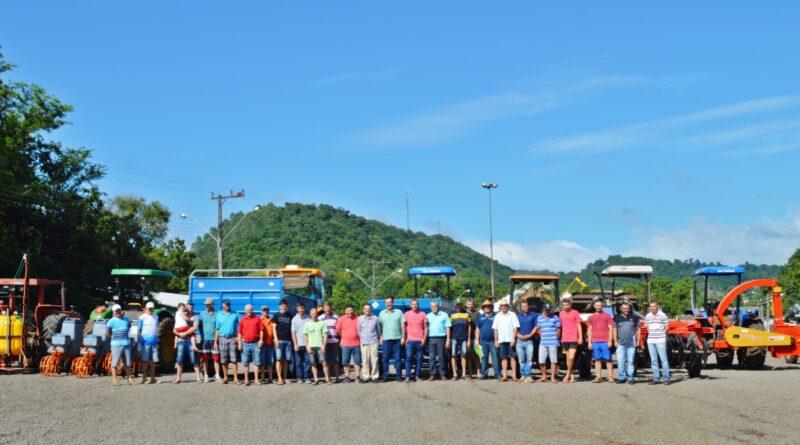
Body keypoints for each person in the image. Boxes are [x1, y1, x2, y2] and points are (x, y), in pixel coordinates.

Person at [106, 304, 135, 386]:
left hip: (126, 344)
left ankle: (130, 379)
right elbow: (107, 333)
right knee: (115, 363)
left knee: (128, 363)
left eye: (118, 310)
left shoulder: (127, 320)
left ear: (120, 310)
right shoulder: (111, 321)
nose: (117, 311)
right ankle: (115, 380)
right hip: (116, 345)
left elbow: (129, 327)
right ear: (113, 312)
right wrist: (114, 338)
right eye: (116, 310)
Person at [587, 300, 615, 383]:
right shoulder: (591, 317)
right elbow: (589, 330)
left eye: (600, 305)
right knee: (597, 359)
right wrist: (589, 342)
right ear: (594, 306)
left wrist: (610, 341)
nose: (599, 307)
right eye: (597, 305)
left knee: (608, 359)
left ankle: (610, 376)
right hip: (595, 341)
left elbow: (611, 329)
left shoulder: (607, 316)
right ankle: (598, 377)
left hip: (605, 341)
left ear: (602, 306)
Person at [174, 302, 202, 384]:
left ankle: (198, 378)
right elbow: (174, 329)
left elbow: (195, 327)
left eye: (191, 307)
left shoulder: (196, 316)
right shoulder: (181, 314)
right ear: (186, 308)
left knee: (194, 360)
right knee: (179, 360)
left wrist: (185, 333)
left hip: (189, 340)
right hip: (181, 340)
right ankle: (178, 378)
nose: (190, 309)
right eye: (188, 307)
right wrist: (179, 334)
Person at [613, 301, 640, 385]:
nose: (626, 310)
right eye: (624, 308)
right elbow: (614, 330)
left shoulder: (635, 318)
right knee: (620, 361)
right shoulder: (616, 318)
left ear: (630, 308)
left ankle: (630, 378)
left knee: (630, 361)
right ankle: (622, 377)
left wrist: (638, 341)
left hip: (631, 344)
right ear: (621, 309)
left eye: (627, 308)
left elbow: (638, 330)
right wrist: (615, 341)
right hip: (621, 344)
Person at [378, 297, 405, 382]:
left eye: (389, 302)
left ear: (393, 303)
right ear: (385, 303)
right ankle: (385, 376)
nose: (388, 304)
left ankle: (399, 376)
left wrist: (403, 337)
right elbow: (380, 327)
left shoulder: (399, 312)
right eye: (386, 302)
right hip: (386, 340)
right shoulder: (381, 313)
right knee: (385, 359)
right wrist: (381, 337)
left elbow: (403, 325)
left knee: (398, 359)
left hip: (397, 339)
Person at [533, 303, 561, 383]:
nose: (548, 311)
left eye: (549, 309)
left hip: (553, 342)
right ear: (543, 309)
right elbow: (539, 329)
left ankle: (552, 377)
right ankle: (544, 376)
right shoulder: (539, 318)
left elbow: (558, 329)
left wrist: (557, 338)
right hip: (543, 342)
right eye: (546, 309)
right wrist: (543, 336)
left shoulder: (555, 317)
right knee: (541, 360)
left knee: (553, 361)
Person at [237, 304, 264, 386]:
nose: (249, 311)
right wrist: (239, 343)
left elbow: (261, 330)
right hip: (245, 343)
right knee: (246, 363)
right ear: (245, 311)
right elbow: (239, 332)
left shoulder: (257, 319)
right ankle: (246, 379)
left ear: (252, 310)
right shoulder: (242, 319)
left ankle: (256, 379)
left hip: (256, 343)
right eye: (247, 310)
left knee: (257, 362)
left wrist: (261, 340)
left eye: (250, 310)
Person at [493, 300, 519, 382]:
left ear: (508, 306)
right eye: (502, 305)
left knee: (513, 358)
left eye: (505, 305)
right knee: (503, 358)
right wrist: (496, 341)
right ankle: (504, 376)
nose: (504, 307)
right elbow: (495, 329)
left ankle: (514, 376)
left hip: (510, 340)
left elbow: (515, 328)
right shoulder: (497, 316)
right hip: (501, 341)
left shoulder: (512, 315)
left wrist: (513, 339)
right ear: (500, 307)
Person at [214, 299, 240, 385]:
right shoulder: (219, 315)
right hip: (222, 338)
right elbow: (217, 329)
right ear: (223, 305)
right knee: (223, 360)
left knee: (234, 359)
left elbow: (241, 325)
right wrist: (215, 342)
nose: (228, 305)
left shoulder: (235, 313)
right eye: (226, 304)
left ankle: (236, 378)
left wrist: (238, 336)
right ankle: (226, 378)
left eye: (229, 304)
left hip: (232, 338)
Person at [645, 301, 670, 385]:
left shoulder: (663, 315)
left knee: (663, 360)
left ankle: (666, 378)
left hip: (660, 340)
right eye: (651, 306)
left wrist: (662, 334)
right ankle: (656, 378)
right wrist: (652, 333)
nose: (652, 308)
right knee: (654, 360)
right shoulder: (648, 316)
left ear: (658, 306)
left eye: (654, 306)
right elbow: (647, 327)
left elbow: (667, 327)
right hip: (651, 341)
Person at [558, 298, 583, 383]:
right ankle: (571, 375)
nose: (565, 307)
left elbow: (579, 325)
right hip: (565, 339)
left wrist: (580, 337)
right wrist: (560, 338)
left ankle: (567, 375)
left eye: (567, 305)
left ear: (570, 304)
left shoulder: (575, 312)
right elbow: (560, 327)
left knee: (572, 357)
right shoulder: (561, 314)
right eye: (564, 305)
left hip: (574, 338)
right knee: (568, 358)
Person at [403, 298, 427, 382]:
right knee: (408, 358)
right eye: (413, 304)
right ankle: (407, 376)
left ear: (418, 305)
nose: (415, 305)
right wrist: (405, 338)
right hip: (410, 341)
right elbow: (404, 326)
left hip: (420, 341)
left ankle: (417, 376)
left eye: (416, 304)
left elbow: (426, 327)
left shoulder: (423, 314)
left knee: (419, 360)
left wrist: (424, 338)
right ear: (410, 305)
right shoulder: (406, 314)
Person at [336, 304, 362, 383]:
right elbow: (338, 330)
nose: (350, 312)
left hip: (357, 343)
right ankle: (347, 377)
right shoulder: (341, 319)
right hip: (345, 344)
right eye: (348, 311)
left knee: (357, 361)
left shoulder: (358, 318)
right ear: (345, 311)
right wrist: (343, 337)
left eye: (351, 310)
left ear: (354, 311)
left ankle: (357, 376)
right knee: (345, 361)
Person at [426, 300, 451, 381]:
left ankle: (442, 374)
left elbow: (448, 327)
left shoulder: (444, 315)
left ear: (438, 307)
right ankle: (432, 374)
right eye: (432, 306)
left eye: (435, 306)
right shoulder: (428, 316)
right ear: (430, 308)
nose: (434, 308)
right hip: (431, 339)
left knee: (442, 358)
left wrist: (448, 339)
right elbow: (425, 328)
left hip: (441, 339)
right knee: (432, 358)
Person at [303, 307, 329, 385]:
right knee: (313, 363)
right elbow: (305, 336)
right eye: (312, 314)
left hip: (320, 346)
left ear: (317, 314)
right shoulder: (307, 324)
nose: (314, 315)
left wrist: (324, 345)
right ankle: (316, 379)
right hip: (311, 347)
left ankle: (327, 379)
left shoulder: (322, 323)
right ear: (310, 315)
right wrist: (307, 347)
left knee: (324, 363)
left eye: (315, 314)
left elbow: (325, 335)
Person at [475, 299, 500, 379]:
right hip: (483, 341)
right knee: (483, 357)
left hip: (493, 340)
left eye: (489, 306)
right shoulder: (480, 317)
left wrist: (497, 340)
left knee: (495, 357)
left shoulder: (496, 315)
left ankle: (497, 374)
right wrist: (476, 340)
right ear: (483, 308)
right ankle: (484, 374)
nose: (487, 308)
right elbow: (477, 329)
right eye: (485, 307)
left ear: (491, 307)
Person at [137, 301, 160, 384]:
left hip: (154, 342)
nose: (151, 310)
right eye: (149, 308)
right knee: (145, 361)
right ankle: (144, 378)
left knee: (153, 361)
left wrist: (157, 337)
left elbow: (157, 328)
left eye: (152, 308)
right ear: (146, 308)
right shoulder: (142, 317)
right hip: (145, 342)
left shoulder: (156, 316)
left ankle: (153, 378)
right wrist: (141, 341)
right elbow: (139, 330)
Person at [358, 303, 381, 382]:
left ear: (371, 309)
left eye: (368, 309)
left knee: (374, 360)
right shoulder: (360, 319)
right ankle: (366, 376)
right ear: (363, 310)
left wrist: (377, 339)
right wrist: (362, 338)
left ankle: (374, 376)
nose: (367, 310)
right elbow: (359, 330)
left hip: (373, 342)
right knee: (365, 360)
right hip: (364, 342)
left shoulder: (375, 318)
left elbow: (378, 330)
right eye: (365, 309)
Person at [198, 298, 220, 383]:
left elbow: (218, 327)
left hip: (214, 340)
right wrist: (202, 335)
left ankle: (217, 375)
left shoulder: (217, 314)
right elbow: (199, 326)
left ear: (212, 304)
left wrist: (216, 340)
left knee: (216, 359)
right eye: (205, 304)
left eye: (207, 304)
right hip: (204, 340)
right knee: (205, 359)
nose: (206, 306)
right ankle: (206, 376)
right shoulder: (202, 314)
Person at [515, 300, 537, 383]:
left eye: (526, 306)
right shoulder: (517, 316)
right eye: (523, 306)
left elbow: (536, 326)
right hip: (519, 340)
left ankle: (529, 376)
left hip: (529, 341)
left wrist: (530, 335)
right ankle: (522, 375)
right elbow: (514, 327)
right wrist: (518, 335)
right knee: (521, 360)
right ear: (521, 307)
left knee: (529, 359)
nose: (525, 308)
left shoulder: (533, 315)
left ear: (528, 306)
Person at [273, 299, 294, 385]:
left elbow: (292, 329)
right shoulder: (276, 315)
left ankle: (285, 378)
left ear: (287, 306)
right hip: (279, 341)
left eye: (284, 305)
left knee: (286, 360)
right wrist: (276, 339)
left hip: (288, 341)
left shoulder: (290, 315)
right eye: (282, 305)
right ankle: (279, 378)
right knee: (279, 359)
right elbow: (273, 328)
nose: (283, 307)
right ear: (279, 306)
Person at [449, 302, 472, 380]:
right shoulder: (451, 314)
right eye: (457, 305)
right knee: (453, 355)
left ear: (462, 305)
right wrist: (449, 339)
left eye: (460, 305)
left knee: (464, 355)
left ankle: (463, 374)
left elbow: (469, 326)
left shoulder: (466, 313)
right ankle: (455, 374)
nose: (458, 306)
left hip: (464, 338)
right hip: (454, 337)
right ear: (455, 305)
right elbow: (449, 327)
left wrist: (469, 339)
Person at [319, 302, 341, 383]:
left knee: (335, 361)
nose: (327, 309)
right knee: (325, 362)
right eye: (326, 308)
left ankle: (337, 378)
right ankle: (327, 379)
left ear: (331, 308)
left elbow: (339, 328)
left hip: (335, 342)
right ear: (323, 309)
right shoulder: (320, 318)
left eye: (329, 308)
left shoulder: (336, 317)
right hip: (324, 343)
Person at [291, 303, 312, 383]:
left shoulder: (308, 318)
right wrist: (295, 344)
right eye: (300, 308)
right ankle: (299, 378)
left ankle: (307, 378)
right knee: (298, 362)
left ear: (304, 309)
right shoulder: (294, 319)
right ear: (297, 309)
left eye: (302, 308)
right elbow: (293, 333)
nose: (301, 310)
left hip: (307, 344)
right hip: (298, 344)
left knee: (308, 362)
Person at [259, 306, 275, 384]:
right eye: (263, 310)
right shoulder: (259, 320)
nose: (265, 311)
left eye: (266, 310)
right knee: (262, 362)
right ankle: (262, 378)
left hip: (271, 344)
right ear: (261, 311)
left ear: (268, 311)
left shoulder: (272, 320)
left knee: (270, 362)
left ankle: (270, 378)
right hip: (262, 345)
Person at [465, 298, 480, 377]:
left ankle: (478, 372)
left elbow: (479, 325)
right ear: (466, 305)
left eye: (471, 304)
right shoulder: (464, 313)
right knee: (469, 355)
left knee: (477, 354)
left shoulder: (477, 313)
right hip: (467, 338)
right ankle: (470, 373)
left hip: (476, 337)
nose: (470, 306)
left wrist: (478, 337)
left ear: (473, 304)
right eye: (469, 304)